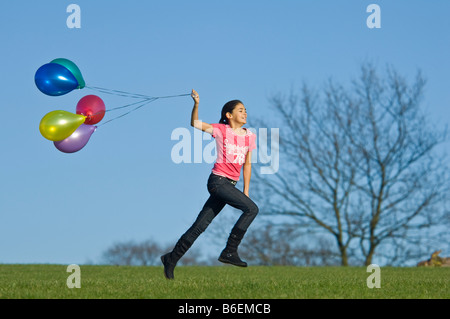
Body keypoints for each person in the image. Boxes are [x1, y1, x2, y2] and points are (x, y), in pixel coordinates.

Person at [160, 89, 259, 279]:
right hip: (218, 182)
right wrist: (196, 104)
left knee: (200, 225)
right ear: (228, 115)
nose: (245, 113)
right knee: (252, 210)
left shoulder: (249, 136)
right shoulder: (222, 130)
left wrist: (246, 191)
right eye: (240, 110)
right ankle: (230, 251)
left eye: (245, 110)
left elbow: (247, 164)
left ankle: (171, 258)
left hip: (230, 185)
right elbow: (195, 123)